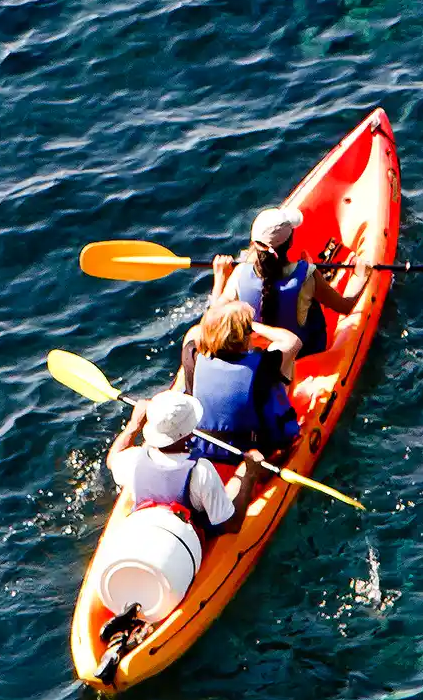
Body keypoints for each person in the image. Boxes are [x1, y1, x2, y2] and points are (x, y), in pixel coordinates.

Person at [111, 387, 265, 537]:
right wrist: (250, 475)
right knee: (242, 472)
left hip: (150, 528)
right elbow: (232, 525)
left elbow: (112, 459)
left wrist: (134, 425)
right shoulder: (201, 470)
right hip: (189, 536)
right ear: (189, 431)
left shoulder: (133, 459)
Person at [228, 206, 365, 357]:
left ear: (253, 242)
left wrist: (222, 276)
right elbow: (345, 306)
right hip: (304, 355)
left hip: (260, 357)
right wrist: (360, 276)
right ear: (291, 242)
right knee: (309, 297)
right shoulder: (307, 275)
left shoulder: (239, 273)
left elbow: (218, 309)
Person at [179, 295, 301, 460]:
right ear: (244, 335)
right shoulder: (263, 364)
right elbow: (293, 341)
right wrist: (254, 325)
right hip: (251, 450)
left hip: (203, 445)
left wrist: (219, 321)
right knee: (283, 371)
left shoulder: (191, 356)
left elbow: (195, 331)